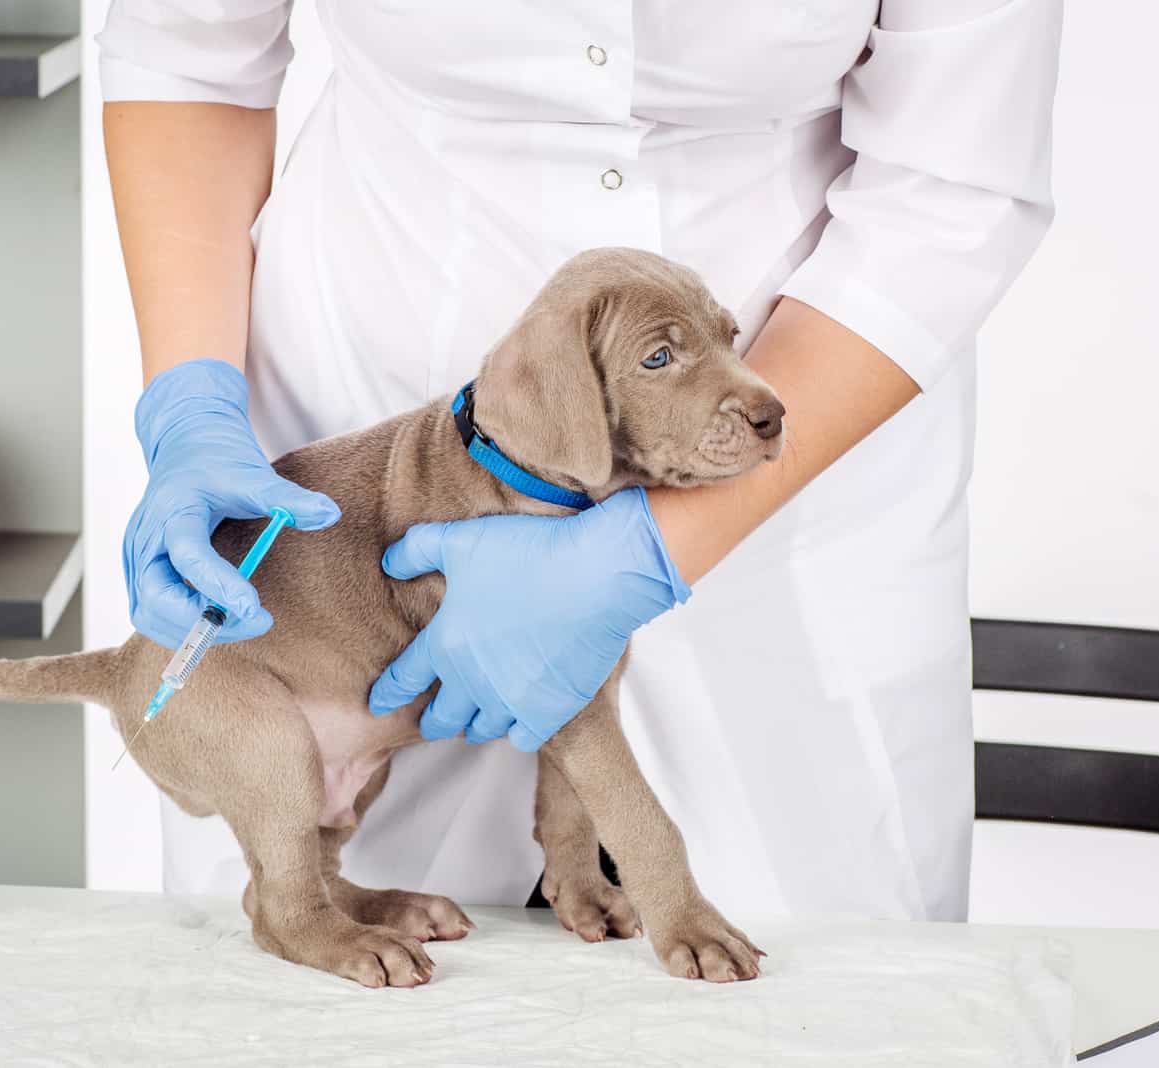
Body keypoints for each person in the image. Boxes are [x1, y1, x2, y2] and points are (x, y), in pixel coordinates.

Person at [99, 0, 1062, 922]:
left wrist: (649, 549)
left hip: (800, 453)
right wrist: (193, 404)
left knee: (821, 993)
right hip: (363, 493)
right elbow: (191, 50)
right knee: (322, 975)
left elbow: (952, 182)